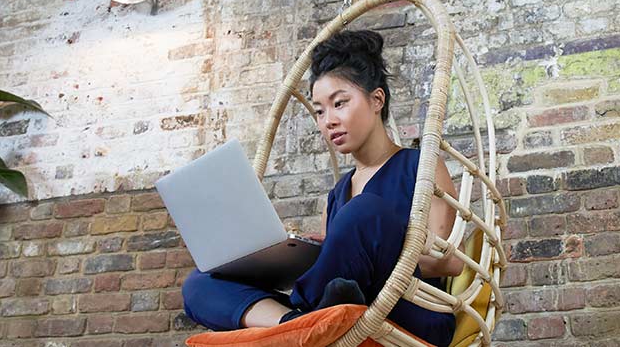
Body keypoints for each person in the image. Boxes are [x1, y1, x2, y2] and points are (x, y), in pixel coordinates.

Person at [181, 30, 463, 347]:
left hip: (412, 312)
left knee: (365, 212)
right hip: (339, 311)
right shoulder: (339, 192)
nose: (328, 120)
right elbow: (337, 274)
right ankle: (296, 323)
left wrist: (376, 248)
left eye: (339, 103)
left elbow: (451, 263)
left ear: (376, 100)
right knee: (199, 284)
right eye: (319, 111)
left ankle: (306, 315)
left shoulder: (421, 165)